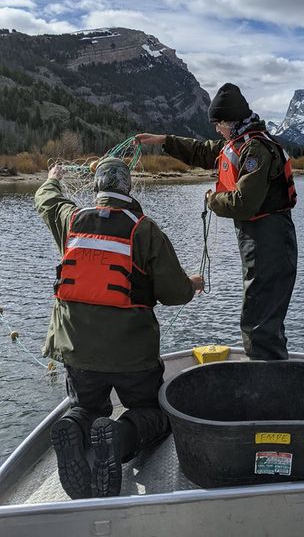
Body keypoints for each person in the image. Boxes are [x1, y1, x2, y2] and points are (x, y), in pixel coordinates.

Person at [35, 158, 204, 499]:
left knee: (87, 406)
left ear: (97, 188)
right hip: (132, 356)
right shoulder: (144, 229)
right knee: (152, 412)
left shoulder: (72, 220)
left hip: (76, 350)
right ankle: (118, 438)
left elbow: (46, 199)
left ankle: (75, 423)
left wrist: (53, 178)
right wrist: (192, 284)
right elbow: (174, 293)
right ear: (128, 188)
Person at [136, 82, 297, 361]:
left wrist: (212, 199)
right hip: (259, 240)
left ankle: (269, 388)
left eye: (219, 124)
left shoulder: (255, 150)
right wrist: (164, 141)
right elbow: (203, 151)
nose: (217, 130)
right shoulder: (238, 143)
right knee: (258, 317)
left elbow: (243, 204)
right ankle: (268, 379)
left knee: (259, 324)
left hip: (271, 241)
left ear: (230, 121)